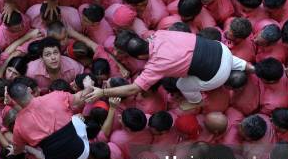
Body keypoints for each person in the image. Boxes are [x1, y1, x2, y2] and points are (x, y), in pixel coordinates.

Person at [85, 30, 253, 105]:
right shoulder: (159, 34)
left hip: (217, 76)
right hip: (222, 50)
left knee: (181, 84)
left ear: (141, 57)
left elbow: (133, 89)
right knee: (227, 58)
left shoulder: (155, 65)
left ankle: (196, 101)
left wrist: (103, 92)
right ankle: (251, 68)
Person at [4, 78, 93, 159]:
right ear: (29, 90)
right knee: (75, 119)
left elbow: (18, 150)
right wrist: (88, 86)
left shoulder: (18, 125)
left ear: (14, 100)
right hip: (82, 153)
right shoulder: (56, 96)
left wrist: (13, 152)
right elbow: (80, 98)